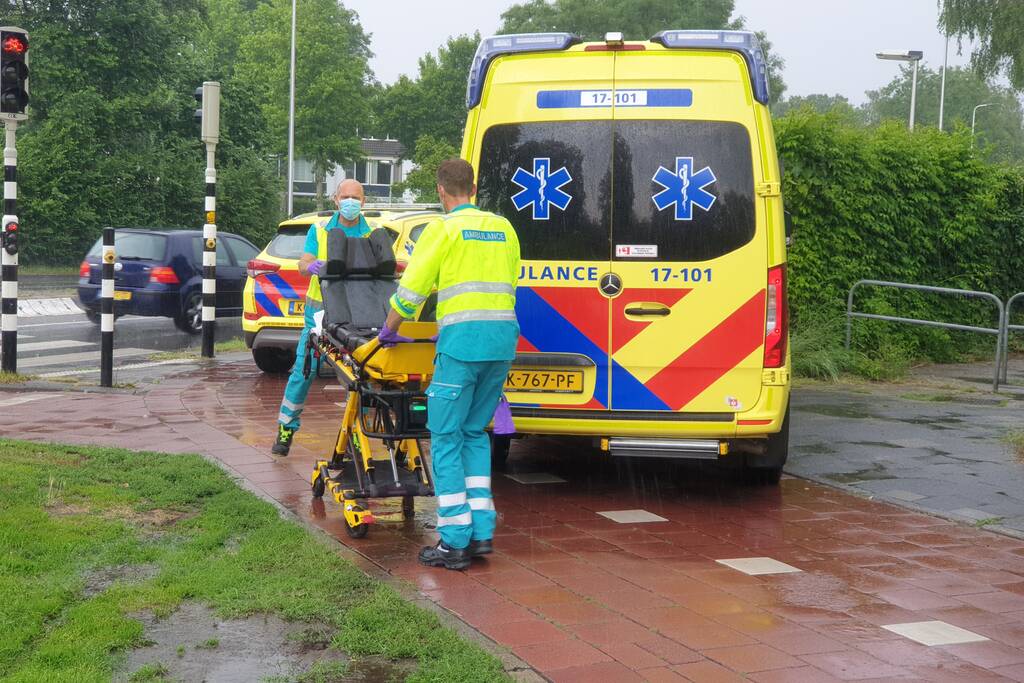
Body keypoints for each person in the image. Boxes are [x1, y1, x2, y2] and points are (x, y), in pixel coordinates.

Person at [380, 159, 520, 570]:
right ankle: (481, 534)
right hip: (501, 343)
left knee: (444, 438)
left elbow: (411, 292)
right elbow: (508, 282)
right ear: (473, 188)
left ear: (442, 191)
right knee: (475, 433)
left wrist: (388, 330)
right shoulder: (503, 227)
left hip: (461, 347)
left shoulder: (442, 229)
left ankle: (453, 540)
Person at [272, 179, 372, 456]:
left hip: (355, 310)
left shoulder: (372, 232)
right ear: (336, 200)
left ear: (363, 202)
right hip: (319, 310)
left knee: (359, 373)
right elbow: (304, 264)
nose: (350, 201)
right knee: (304, 369)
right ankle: (285, 428)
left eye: (355, 197)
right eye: (345, 196)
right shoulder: (319, 229)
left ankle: (355, 435)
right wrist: (311, 266)